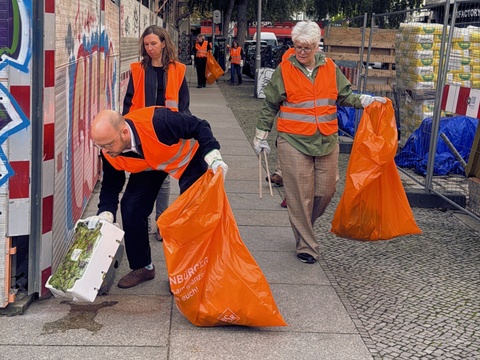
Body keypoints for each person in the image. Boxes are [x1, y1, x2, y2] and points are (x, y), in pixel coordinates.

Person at [253, 21, 386, 265]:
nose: (301, 52)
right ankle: (307, 245)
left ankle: (303, 225)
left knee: (326, 190)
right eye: (297, 47)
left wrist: (364, 100)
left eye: (306, 48)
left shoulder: (330, 67)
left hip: (326, 139)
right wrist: (261, 136)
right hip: (293, 140)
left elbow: (344, 95)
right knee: (300, 194)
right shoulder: (284, 69)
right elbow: (270, 104)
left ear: (317, 47)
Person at [89, 107, 228, 288]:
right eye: (99, 146)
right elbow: (110, 187)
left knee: (190, 214)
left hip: (187, 159)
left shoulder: (158, 121)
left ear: (124, 132)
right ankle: (143, 267)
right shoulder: (109, 151)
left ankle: (186, 273)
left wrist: (213, 156)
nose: (105, 151)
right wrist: (105, 215)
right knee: (131, 207)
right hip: (150, 166)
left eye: (108, 145)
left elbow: (199, 126)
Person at [122, 25, 191, 243]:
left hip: (166, 132)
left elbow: (183, 105)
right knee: (141, 176)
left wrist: (183, 129)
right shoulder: (138, 70)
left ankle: (161, 223)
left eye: (154, 43)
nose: (150, 48)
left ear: (163, 43)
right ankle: (144, 221)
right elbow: (128, 103)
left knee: (163, 179)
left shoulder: (177, 69)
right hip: (142, 132)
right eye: (146, 44)